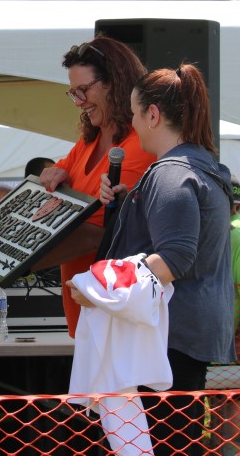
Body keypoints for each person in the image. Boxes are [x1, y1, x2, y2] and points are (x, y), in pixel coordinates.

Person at [89, 63, 234, 456]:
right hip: (184, 336)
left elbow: (174, 258)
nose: (134, 126)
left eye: (136, 115)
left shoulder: (171, 173)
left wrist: (99, 288)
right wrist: (126, 206)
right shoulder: (202, 167)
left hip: (166, 340)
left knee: (160, 445)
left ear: (153, 115)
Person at [37, 37, 155, 339]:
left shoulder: (138, 147)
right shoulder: (90, 141)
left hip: (117, 317)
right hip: (87, 311)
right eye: (72, 93)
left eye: (84, 90)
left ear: (114, 83)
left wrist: (21, 264)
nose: (78, 102)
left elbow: (96, 233)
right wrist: (57, 170)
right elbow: (62, 167)